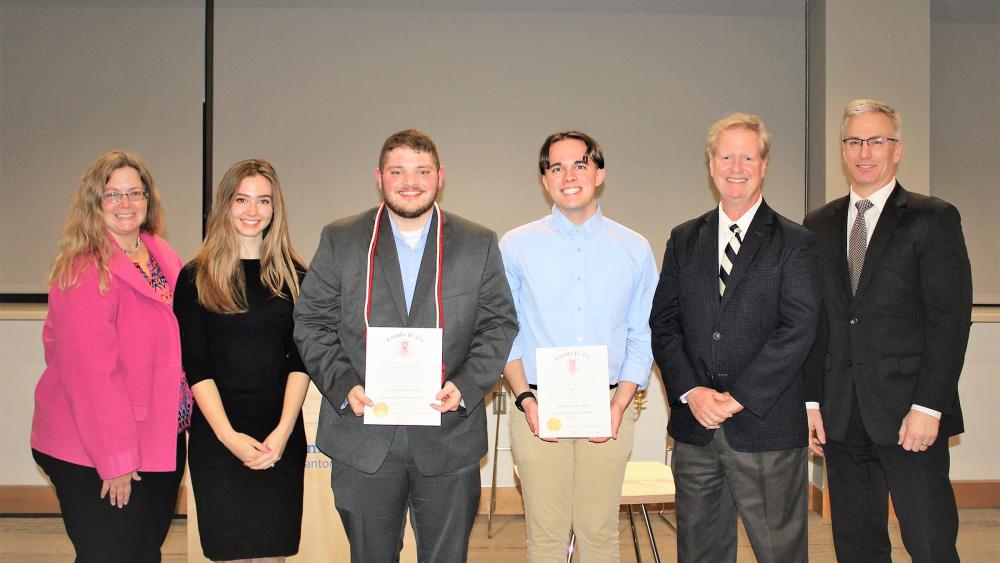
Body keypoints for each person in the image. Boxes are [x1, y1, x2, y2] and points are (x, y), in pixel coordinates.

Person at [293, 129, 518, 562]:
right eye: (397, 171)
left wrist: (467, 386)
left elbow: (498, 324)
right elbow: (311, 322)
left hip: (449, 435)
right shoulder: (341, 239)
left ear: (440, 176)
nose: (409, 181)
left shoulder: (478, 242)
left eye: (421, 171)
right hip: (363, 439)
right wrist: (343, 387)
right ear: (380, 177)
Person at [803, 99, 972, 563]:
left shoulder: (932, 218)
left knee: (930, 543)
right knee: (857, 546)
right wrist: (812, 401)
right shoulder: (818, 224)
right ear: (843, 149)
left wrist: (928, 406)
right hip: (841, 416)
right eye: (854, 141)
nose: (864, 152)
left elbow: (950, 321)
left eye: (876, 140)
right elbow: (814, 320)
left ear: (896, 150)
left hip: (910, 416)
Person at [649, 113, 821, 563]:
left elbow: (798, 328)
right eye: (726, 156)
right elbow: (664, 324)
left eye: (748, 156)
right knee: (700, 553)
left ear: (764, 165)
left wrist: (739, 396)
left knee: (780, 551)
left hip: (766, 427)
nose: (736, 166)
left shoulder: (795, 242)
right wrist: (692, 392)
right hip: (696, 430)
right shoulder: (684, 239)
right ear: (710, 164)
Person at [499, 131, 657, 562]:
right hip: (536, 404)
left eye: (580, 164)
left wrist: (621, 403)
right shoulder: (515, 246)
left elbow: (642, 333)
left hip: (610, 407)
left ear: (599, 173)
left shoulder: (634, 248)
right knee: (546, 537)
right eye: (556, 167)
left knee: (600, 533)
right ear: (545, 179)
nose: (568, 175)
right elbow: (504, 330)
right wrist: (524, 397)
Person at [30, 150, 188, 562]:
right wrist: (114, 461)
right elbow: (92, 378)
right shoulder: (84, 270)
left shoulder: (162, 255)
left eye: (134, 193)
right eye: (112, 195)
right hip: (94, 448)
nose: (125, 204)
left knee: (143, 551)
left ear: (148, 200)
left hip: (156, 437)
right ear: (93, 204)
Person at [174, 159, 309, 562]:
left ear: (275, 208)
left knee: (273, 554)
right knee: (231, 552)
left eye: (263, 201)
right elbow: (197, 366)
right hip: (218, 438)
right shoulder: (195, 277)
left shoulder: (296, 277)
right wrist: (229, 437)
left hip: (279, 437)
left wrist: (283, 433)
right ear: (225, 205)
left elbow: (300, 362)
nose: (253, 211)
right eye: (242, 199)